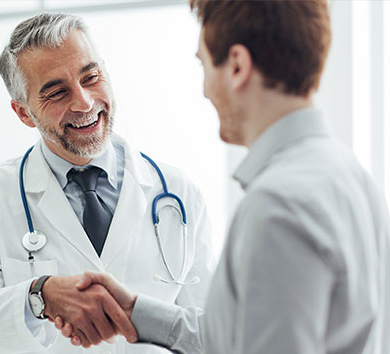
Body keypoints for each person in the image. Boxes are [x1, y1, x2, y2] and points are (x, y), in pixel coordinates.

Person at [56, 0, 390, 353]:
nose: (204, 89)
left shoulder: (277, 205)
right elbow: (245, 333)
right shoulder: (350, 175)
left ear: (236, 66)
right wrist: (135, 312)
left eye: (203, 64)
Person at [0, 13, 213, 354]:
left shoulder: (177, 192)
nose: (83, 102)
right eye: (56, 92)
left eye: (91, 77)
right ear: (23, 112)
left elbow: (210, 331)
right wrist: (39, 295)